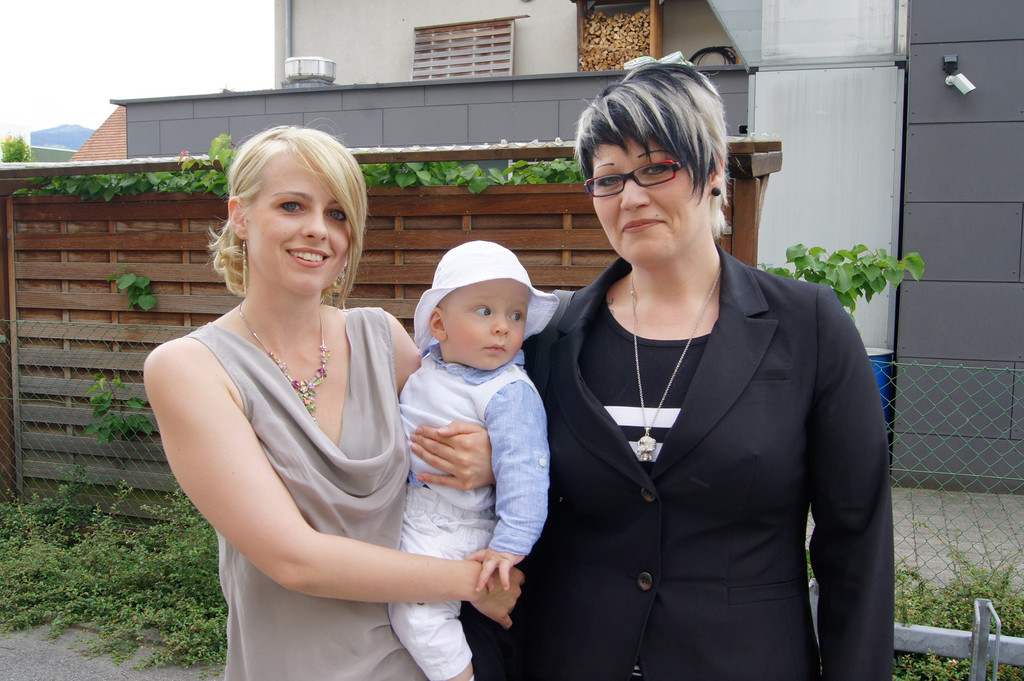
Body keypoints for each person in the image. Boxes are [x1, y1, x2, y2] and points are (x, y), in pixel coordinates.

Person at [418, 63, 895, 680]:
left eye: (656, 167)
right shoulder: (551, 339)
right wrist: (503, 465)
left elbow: (856, 543)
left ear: (714, 171)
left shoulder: (808, 328)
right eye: (608, 178)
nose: (631, 197)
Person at [143, 125, 520, 681]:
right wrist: (477, 583)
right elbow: (294, 559)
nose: (319, 229)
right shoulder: (189, 368)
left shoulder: (384, 339)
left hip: (422, 659)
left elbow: (478, 445)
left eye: (338, 213)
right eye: (292, 205)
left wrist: (490, 458)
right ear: (240, 216)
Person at [390, 240, 558, 681]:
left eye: (516, 315)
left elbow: (527, 471)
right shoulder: (425, 369)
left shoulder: (507, 391)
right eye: (485, 311)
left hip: (457, 527)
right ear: (439, 324)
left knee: (418, 614)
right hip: (414, 513)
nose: (502, 327)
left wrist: (509, 546)